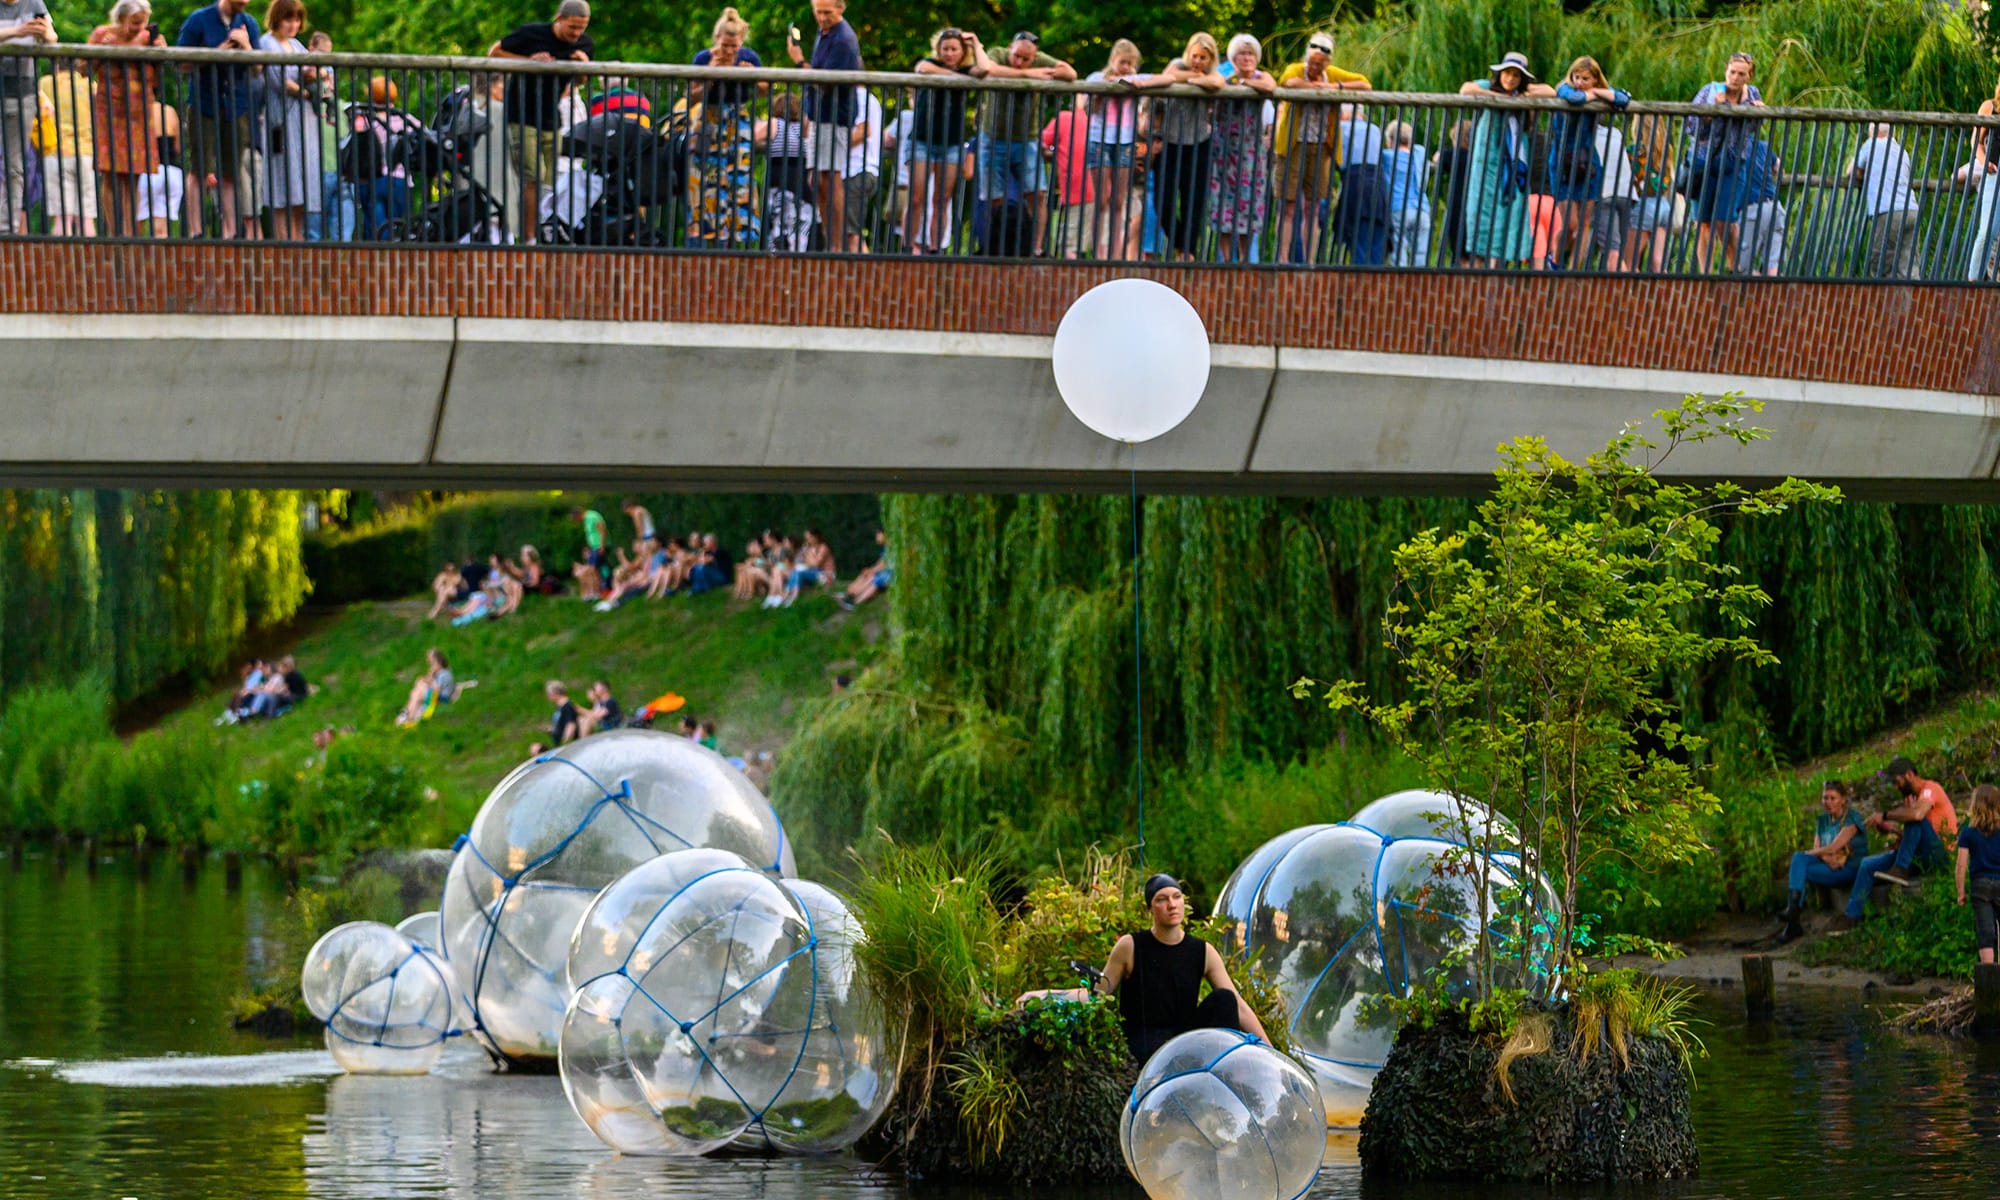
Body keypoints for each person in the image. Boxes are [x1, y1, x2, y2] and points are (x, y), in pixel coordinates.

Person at [1016, 874, 1267, 1063]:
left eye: (1176, 897)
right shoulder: (1130, 946)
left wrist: (1269, 1050)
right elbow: (1097, 994)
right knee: (1151, 1041)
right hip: (1145, 1042)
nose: (1171, 905)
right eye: (1162, 899)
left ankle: (1226, 1068)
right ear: (1150, 908)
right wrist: (1043, 996)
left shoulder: (1203, 950)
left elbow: (1238, 1005)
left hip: (1187, 1038)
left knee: (1224, 999)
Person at [490, 0, 594, 243]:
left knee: (549, 180)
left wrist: (583, 66)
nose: (576, 34)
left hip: (551, 117)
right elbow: (494, 53)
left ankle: (543, 232)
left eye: (581, 28)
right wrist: (528, 61)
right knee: (532, 175)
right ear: (559, 19)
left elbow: (579, 82)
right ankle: (529, 239)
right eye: (572, 27)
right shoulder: (533, 33)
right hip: (521, 114)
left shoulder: (584, 44)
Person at [970, 31, 1075, 255]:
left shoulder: (1042, 59)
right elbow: (989, 69)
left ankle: (1035, 248)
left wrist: (1038, 72)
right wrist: (1030, 74)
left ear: (1034, 56)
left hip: (1027, 138)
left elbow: (1070, 73)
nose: (1019, 62)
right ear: (1010, 47)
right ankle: (994, 245)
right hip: (993, 136)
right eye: (1016, 56)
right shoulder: (998, 53)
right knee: (994, 196)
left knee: (1037, 194)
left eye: (1026, 59)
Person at [1273, 33, 1369, 265]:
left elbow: (1364, 83)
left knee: (1313, 206)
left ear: (1327, 62)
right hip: (1294, 145)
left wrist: (1333, 86)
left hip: (1322, 147)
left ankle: (1309, 260)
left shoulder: (1332, 74)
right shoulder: (1296, 69)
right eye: (1312, 62)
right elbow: (1288, 82)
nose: (1315, 66)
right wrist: (1316, 88)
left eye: (1320, 63)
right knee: (1288, 205)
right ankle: (1282, 258)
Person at [1128, 34, 1225, 262]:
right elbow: (1169, 75)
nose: (1197, 61)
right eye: (1194, 56)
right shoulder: (1177, 64)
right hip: (1169, 143)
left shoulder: (1213, 74)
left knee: (1193, 201)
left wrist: (1190, 80)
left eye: (1203, 58)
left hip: (1198, 144)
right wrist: (1193, 78)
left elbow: (1217, 83)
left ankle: (1188, 253)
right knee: (1163, 202)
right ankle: (1181, 244)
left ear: (1210, 59)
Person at [1836, 756, 1959, 928]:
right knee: (1867, 865)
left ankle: (1900, 868)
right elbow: (1913, 837)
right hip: (1919, 856)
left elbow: (1917, 816)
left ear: (1909, 775)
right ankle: (1852, 916)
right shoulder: (1913, 799)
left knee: (1914, 818)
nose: (1895, 787)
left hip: (1940, 855)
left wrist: (1885, 815)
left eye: (1896, 781)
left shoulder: (1930, 788)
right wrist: (1891, 829)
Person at [1458, 52, 1555, 268]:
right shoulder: (1489, 86)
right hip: (1487, 155)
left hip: (1512, 156)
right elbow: (1466, 89)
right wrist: (1498, 98)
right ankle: (1480, 263)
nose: (1510, 79)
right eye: (1507, 73)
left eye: (1516, 75)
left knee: (1510, 206)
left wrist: (1523, 95)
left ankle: (1498, 264)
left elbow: (1551, 91)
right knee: (1482, 205)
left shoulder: (1522, 93)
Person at [176, 0, 262, 239]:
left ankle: (231, 232)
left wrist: (246, 46)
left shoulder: (248, 23)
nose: (245, 3)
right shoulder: (199, 20)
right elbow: (180, 62)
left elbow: (258, 69)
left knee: (231, 170)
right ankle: (196, 231)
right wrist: (217, 53)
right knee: (199, 167)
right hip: (203, 103)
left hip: (236, 105)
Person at [788, 0, 861, 249]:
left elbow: (825, 83)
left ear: (841, 8)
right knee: (817, 180)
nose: (821, 17)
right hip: (820, 115)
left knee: (830, 178)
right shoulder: (825, 32)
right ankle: (830, 239)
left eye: (827, 12)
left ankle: (836, 245)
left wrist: (799, 61)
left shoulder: (843, 40)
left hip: (834, 116)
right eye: (817, 12)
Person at [686, 7, 762, 247]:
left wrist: (752, 76)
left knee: (739, 178)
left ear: (741, 42)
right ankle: (702, 237)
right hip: (709, 120)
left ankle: (736, 239)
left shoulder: (749, 58)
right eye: (725, 45)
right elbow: (691, 96)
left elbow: (765, 90)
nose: (729, 51)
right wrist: (710, 74)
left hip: (737, 122)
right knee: (704, 177)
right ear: (716, 39)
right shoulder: (703, 58)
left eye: (734, 46)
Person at [88, 0, 165, 237]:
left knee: (134, 176)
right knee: (110, 174)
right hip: (110, 112)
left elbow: (159, 76)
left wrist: (161, 53)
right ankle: (115, 232)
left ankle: (132, 233)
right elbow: (82, 67)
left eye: (142, 22)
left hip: (139, 115)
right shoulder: (102, 34)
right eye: (134, 22)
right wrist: (101, 52)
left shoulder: (148, 39)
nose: (139, 27)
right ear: (121, 18)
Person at [1684, 52, 1763, 273]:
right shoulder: (1710, 91)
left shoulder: (1752, 94)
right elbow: (1691, 127)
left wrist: (1757, 113)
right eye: (1732, 72)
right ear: (1726, 71)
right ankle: (1706, 273)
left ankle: (1735, 267)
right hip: (1704, 161)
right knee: (1703, 222)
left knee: (1726, 220)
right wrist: (1711, 111)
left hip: (1734, 162)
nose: (1735, 78)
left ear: (1749, 76)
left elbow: (1751, 130)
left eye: (1741, 74)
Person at [1548, 56, 1628, 271]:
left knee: (1584, 224)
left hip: (1588, 163)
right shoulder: (1564, 88)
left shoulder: (1597, 92)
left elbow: (1623, 99)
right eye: (1577, 77)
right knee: (1570, 223)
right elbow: (1573, 98)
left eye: (1585, 79)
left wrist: (1597, 92)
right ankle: (1554, 260)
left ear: (1595, 79)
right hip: (1563, 162)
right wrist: (1593, 95)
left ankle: (1574, 270)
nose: (1579, 82)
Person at [904, 27, 972, 254]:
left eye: (954, 49)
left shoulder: (970, 70)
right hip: (922, 139)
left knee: (942, 198)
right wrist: (959, 79)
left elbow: (985, 69)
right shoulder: (930, 63)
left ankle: (935, 248)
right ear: (938, 49)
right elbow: (922, 68)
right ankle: (908, 247)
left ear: (963, 52)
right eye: (945, 49)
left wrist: (976, 44)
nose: (949, 54)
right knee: (916, 197)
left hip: (951, 142)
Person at [1775, 780, 1868, 943]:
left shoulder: (1852, 819)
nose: (1828, 802)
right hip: (1830, 866)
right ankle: (1793, 915)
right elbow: (1818, 849)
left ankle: (1793, 920)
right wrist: (1825, 857)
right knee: (1799, 861)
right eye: (1825, 798)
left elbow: (1833, 847)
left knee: (1800, 860)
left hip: (1849, 869)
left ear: (1843, 800)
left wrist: (1816, 853)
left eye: (1833, 798)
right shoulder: (1822, 820)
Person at [1207, 34, 1273, 263]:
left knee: (1250, 205)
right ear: (1233, 57)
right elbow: (1215, 86)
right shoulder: (1224, 75)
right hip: (1224, 151)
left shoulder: (1261, 77)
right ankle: (1226, 260)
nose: (1247, 58)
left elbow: (1270, 86)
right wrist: (1232, 81)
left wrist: (1245, 84)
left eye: (1250, 54)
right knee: (1222, 205)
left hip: (1251, 152)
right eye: (1242, 54)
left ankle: (1245, 261)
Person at [258, 0, 320, 242]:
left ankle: (298, 240)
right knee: (282, 181)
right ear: (277, 18)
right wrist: (306, 92)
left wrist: (315, 76)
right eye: (288, 19)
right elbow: (278, 80)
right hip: (281, 121)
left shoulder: (295, 44)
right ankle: (284, 241)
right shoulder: (267, 42)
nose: (293, 25)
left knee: (301, 184)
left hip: (303, 123)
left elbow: (313, 68)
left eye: (296, 19)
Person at [1084, 38, 1144, 260]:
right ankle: (1097, 250)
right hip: (1099, 139)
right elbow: (1087, 109)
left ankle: (1115, 251)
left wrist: (1136, 84)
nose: (1126, 67)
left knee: (1118, 200)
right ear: (1113, 59)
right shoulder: (1097, 78)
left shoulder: (1135, 81)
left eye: (1130, 63)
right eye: (1123, 62)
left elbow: (1164, 78)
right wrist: (1104, 89)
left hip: (1125, 141)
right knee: (1101, 199)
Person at [0, 0, 56, 234]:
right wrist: (18, 32)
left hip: (22, 93)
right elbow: (18, 33)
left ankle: (7, 228)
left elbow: (52, 38)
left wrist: (44, 33)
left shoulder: (34, 3)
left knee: (14, 166)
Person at [36, 55, 97, 236]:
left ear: (56, 66)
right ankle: (89, 253)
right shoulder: (90, 86)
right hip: (86, 153)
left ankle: (62, 254)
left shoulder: (45, 84)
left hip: (56, 153)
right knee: (86, 218)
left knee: (62, 218)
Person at [1852, 121, 1921, 281]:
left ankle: (1882, 296)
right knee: (1909, 268)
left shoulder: (1871, 145)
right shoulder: (1901, 151)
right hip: (1911, 209)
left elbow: (1853, 170)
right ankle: (1912, 295)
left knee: (1881, 265)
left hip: (1888, 211)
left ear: (1873, 132)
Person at [1331, 103, 1389, 265]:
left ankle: (1360, 278)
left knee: (1358, 242)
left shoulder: (1342, 128)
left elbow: (1338, 160)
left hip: (1355, 186)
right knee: (1376, 242)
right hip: (1379, 189)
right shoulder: (1375, 129)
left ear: (1345, 115)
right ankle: (1376, 278)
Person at [756, 90, 814, 249]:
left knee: (777, 226)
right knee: (799, 229)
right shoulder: (805, 127)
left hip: (780, 177)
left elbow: (752, 136)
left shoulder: (776, 124)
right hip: (803, 180)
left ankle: (774, 257)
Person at [1039, 95, 1093, 258]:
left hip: (1076, 188)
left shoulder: (1064, 118)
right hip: (1100, 190)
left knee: (1069, 246)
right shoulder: (1099, 123)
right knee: (1084, 244)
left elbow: (1040, 143)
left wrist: (1056, 154)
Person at [1957, 77, 1999, 282]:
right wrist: (1985, 161)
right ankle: (1973, 280)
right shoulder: (1990, 106)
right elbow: (1976, 141)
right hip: (1994, 170)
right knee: (1987, 230)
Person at [1623, 113, 1675, 272]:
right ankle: (1664, 288)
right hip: (1663, 206)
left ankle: (1631, 290)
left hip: (1643, 205)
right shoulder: (1666, 150)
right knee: (1658, 265)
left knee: (1629, 264)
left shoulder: (1634, 151)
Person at [1957, 783, 2000, 966]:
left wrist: (1961, 893)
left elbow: (1961, 865)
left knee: (1985, 930)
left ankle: (1988, 973)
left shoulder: (1968, 833)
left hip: (1980, 885)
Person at [1384, 120, 1430, 267]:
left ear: (1390, 140)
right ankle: (1420, 279)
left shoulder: (1387, 157)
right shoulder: (1419, 155)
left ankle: (1400, 280)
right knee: (1421, 255)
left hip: (1398, 208)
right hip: (1422, 209)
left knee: (1398, 254)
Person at [1735, 137, 1784, 276]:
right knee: (1773, 267)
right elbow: (1778, 167)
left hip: (1751, 211)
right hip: (1774, 208)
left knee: (1741, 268)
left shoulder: (1731, 148)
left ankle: (1759, 288)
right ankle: (1772, 289)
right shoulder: (1762, 146)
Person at [844, 84, 883, 251]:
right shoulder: (869, 99)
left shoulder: (859, 97)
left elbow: (863, 131)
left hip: (856, 170)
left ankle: (864, 268)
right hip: (863, 170)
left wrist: (835, 145)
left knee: (851, 235)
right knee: (848, 234)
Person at [395, 647, 464, 726]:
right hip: (438, 693)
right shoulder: (437, 671)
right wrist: (430, 674)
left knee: (418, 693)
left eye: (431, 661)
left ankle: (409, 716)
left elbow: (437, 691)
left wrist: (427, 685)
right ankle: (407, 712)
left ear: (437, 661)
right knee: (418, 687)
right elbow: (428, 681)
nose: (429, 662)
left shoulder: (444, 674)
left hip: (444, 697)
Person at [838, 528, 890, 610]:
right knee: (865, 574)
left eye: (878, 534)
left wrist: (871, 570)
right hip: (883, 572)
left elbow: (884, 566)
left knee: (872, 577)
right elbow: (880, 564)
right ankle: (850, 594)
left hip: (886, 574)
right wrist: (870, 570)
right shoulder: (885, 548)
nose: (876, 537)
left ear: (885, 534)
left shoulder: (890, 549)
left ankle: (854, 599)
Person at [571, 505, 609, 598]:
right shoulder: (586, 520)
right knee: (593, 570)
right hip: (594, 547)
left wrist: (602, 546)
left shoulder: (592, 516)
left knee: (593, 570)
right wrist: (589, 547)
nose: (577, 521)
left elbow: (602, 530)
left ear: (578, 515)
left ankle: (597, 591)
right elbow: (591, 534)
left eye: (575, 519)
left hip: (599, 546)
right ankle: (593, 591)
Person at [545, 680, 580, 746]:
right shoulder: (559, 708)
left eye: (549, 694)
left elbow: (571, 725)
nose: (548, 697)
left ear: (556, 693)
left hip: (567, 745)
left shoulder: (567, 706)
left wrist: (566, 742)